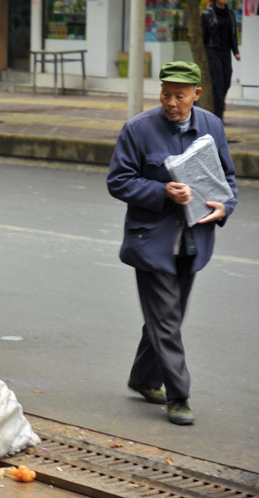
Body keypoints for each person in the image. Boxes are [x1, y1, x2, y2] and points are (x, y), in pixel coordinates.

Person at [107, 62, 238, 426]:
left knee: (169, 317)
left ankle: (143, 377)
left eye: (180, 96)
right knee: (166, 320)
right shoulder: (138, 129)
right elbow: (118, 181)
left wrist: (223, 206)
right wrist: (163, 191)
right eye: (165, 94)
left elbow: (227, 179)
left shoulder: (211, 125)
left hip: (195, 239)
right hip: (151, 241)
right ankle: (179, 396)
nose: (171, 102)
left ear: (196, 94)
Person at [201, 0, 241, 121]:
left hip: (226, 52)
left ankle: (217, 108)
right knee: (217, 85)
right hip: (212, 51)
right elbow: (203, 36)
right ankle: (218, 117)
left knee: (226, 82)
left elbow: (233, 34)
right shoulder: (207, 13)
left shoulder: (230, 12)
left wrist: (236, 51)